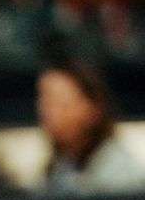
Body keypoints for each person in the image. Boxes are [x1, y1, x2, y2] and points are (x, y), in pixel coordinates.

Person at [36, 60, 145, 193]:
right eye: (44, 102)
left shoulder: (120, 175)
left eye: (59, 103)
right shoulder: (62, 168)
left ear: (93, 109)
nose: (47, 113)